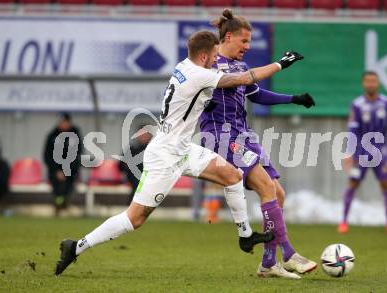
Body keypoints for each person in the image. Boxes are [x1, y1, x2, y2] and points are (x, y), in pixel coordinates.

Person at [55, 30, 300, 276]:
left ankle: (245, 235)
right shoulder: (199, 74)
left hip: (183, 147)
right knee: (135, 218)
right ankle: (76, 247)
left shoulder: (184, 66)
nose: (218, 60)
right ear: (204, 56)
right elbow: (246, 79)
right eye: (215, 55)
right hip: (166, 155)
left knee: (233, 176)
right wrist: (281, 63)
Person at [199, 9, 317, 279]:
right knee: (266, 186)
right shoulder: (211, 64)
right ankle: (288, 254)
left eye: (250, 42)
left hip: (244, 135)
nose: (248, 47)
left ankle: (267, 264)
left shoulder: (240, 67)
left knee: (278, 193)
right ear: (228, 37)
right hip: (221, 136)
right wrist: (279, 64)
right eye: (244, 41)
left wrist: (293, 99)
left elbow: (256, 93)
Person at [338, 71, 387, 235]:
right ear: (364, 83)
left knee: (385, 184)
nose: (371, 84)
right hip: (361, 152)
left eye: (374, 81)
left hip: (381, 152)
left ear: (378, 83)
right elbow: (352, 131)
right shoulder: (357, 104)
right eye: (368, 81)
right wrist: (349, 152)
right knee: (353, 183)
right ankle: (343, 222)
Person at [43, 113, 82, 215]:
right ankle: (58, 205)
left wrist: (66, 170)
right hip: (55, 171)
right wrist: (57, 171)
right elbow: (47, 156)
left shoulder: (75, 135)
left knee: (68, 186)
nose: (62, 124)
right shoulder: (52, 136)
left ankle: (65, 204)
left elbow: (78, 154)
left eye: (65, 122)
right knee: (57, 187)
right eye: (61, 122)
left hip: (71, 170)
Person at [119, 125, 153, 202]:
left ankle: (135, 205)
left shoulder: (153, 150)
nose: (143, 136)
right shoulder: (131, 149)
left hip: (149, 176)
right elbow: (121, 166)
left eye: (145, 133)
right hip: (133, 177)